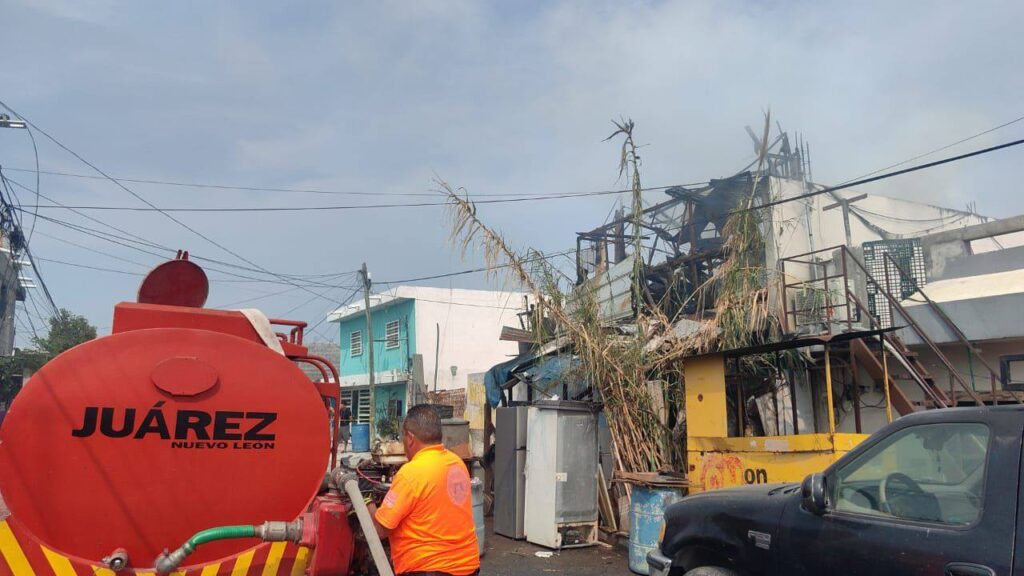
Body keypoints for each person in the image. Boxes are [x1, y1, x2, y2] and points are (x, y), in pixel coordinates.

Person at [370, 404, 479, 576]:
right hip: (468, 567)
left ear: (410, 438)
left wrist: (366, 500)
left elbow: (380, 530)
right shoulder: (457, 464)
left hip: (429, 568)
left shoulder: (411, 472)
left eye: (402, 438)